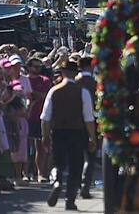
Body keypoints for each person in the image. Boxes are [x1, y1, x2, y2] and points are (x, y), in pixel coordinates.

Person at [40, 60, 96, 211]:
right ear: (75, 72)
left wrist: (45, 136)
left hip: (58, 132)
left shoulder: (54, 91)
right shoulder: (82, 92)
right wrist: (92, 137)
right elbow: (89, 118)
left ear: (63, 72)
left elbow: (45, 118)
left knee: (57, 163)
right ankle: (70, 201)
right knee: (75, 167)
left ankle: (56, 182)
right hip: (78, 133)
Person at [74, 56, 98, 200]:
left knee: (76, 157)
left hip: (73, 124)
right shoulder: (95, 83)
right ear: (91, 66)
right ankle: (85, 186)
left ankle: (76, 185)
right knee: (90, 157)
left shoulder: (74, 83)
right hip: (91, 122)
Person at [26, 57, 51, 182]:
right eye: (35, 66)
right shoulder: (24, 80)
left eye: (39, 67)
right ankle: (25, 173)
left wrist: (34, 94)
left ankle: (40, 173)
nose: (38, 69)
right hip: (26, 117)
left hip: (40, 117)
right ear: (29, 67)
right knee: (25, 147)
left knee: (40, 147)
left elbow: (46, 95)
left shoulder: (45, 80)